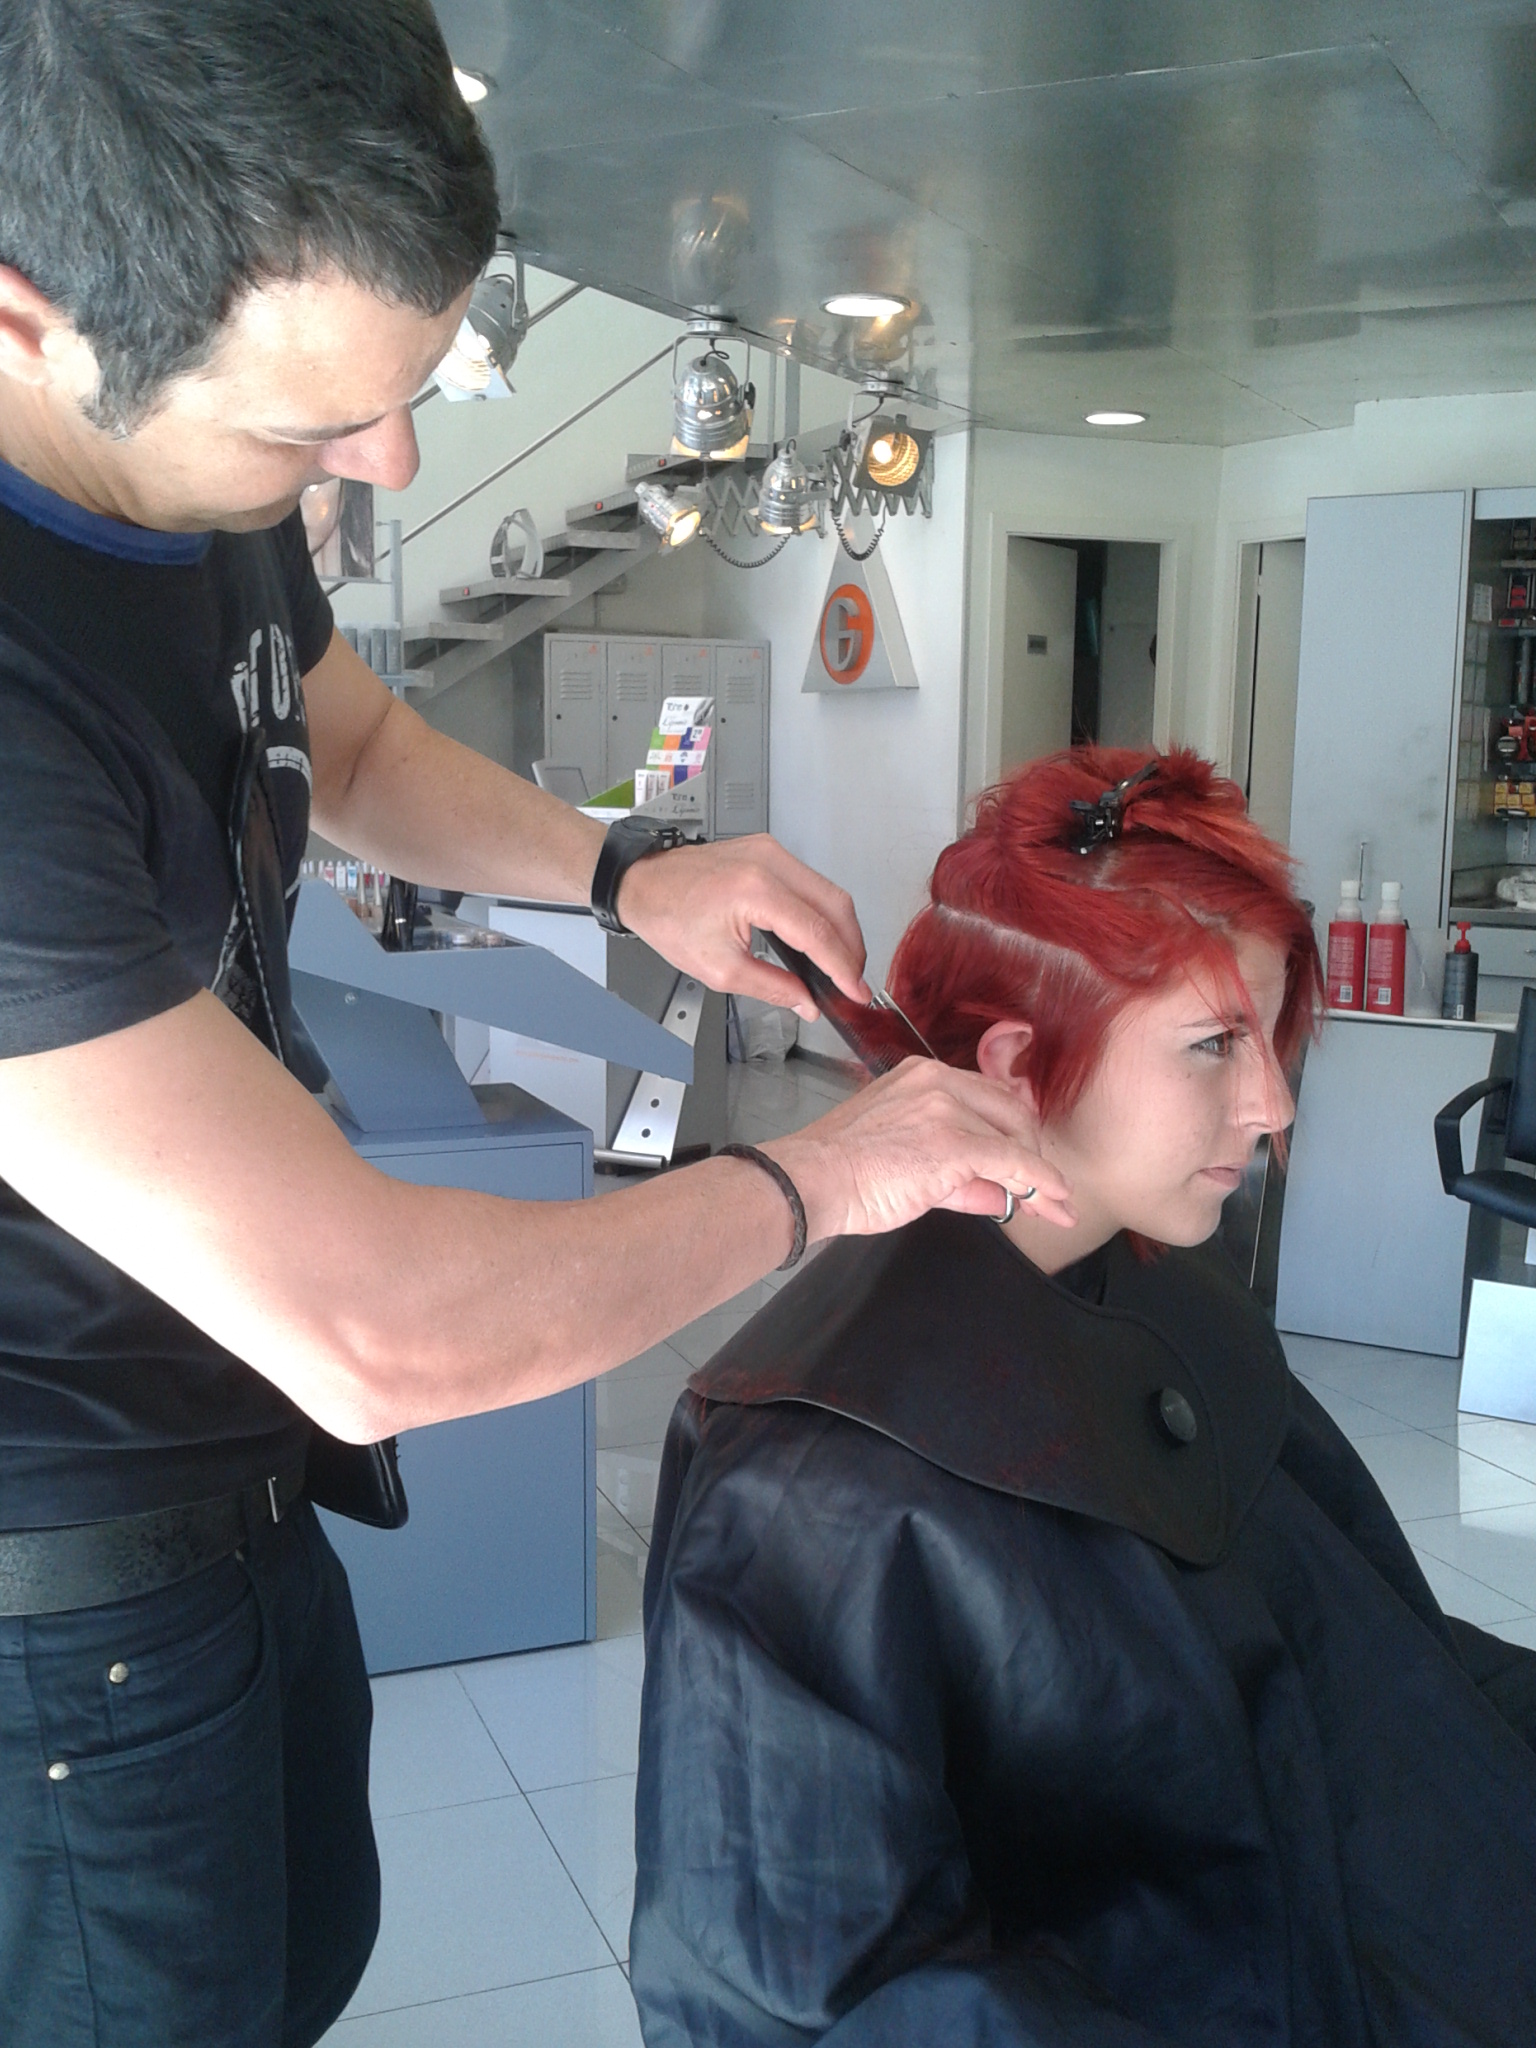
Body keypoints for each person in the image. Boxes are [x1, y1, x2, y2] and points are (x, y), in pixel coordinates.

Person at [0, 4, 1067, 2043]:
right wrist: (827, 1177)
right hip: (61, 1587)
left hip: (239, 1490)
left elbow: (348, 739)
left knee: (296, 1969)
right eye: (314, 429)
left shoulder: (197, 483)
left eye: (406, 397)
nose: (385, 466)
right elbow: (371, 1323)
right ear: (28, 319)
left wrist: (623, 870)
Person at [632, 745, 1536, 2047]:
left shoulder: (1181, 1299)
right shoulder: (806, 1491)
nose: (1272, 1103)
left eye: (1269, 1036)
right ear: (1016, 1062)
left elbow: (1372, 1656)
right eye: (1213, 1046)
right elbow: (815, 1999)